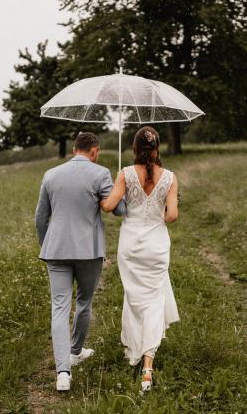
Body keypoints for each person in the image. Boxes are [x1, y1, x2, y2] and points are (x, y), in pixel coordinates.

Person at [34, 131, 126, 392]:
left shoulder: (50, 175)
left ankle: (63, 372)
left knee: (59, 307)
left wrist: (47, 246)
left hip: (56, 250)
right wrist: (120, 185)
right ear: (94, 151)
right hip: (88, 251)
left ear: (75, 150)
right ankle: (74, 351)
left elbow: (40, 219)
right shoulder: (100, 174)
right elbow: (118, 209)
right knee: (84, 301)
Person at [100, 126, 180, 392]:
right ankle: (148, 365)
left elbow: (110, 206)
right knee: (154, 300)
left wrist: (110, 195)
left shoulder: (125, 174)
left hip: (131, 246)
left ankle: (135, 347)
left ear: (135, 148)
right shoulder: (169, 177)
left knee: (134, 298)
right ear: (158, 148)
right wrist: (164, 208)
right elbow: (171, 216)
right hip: (156, 246)